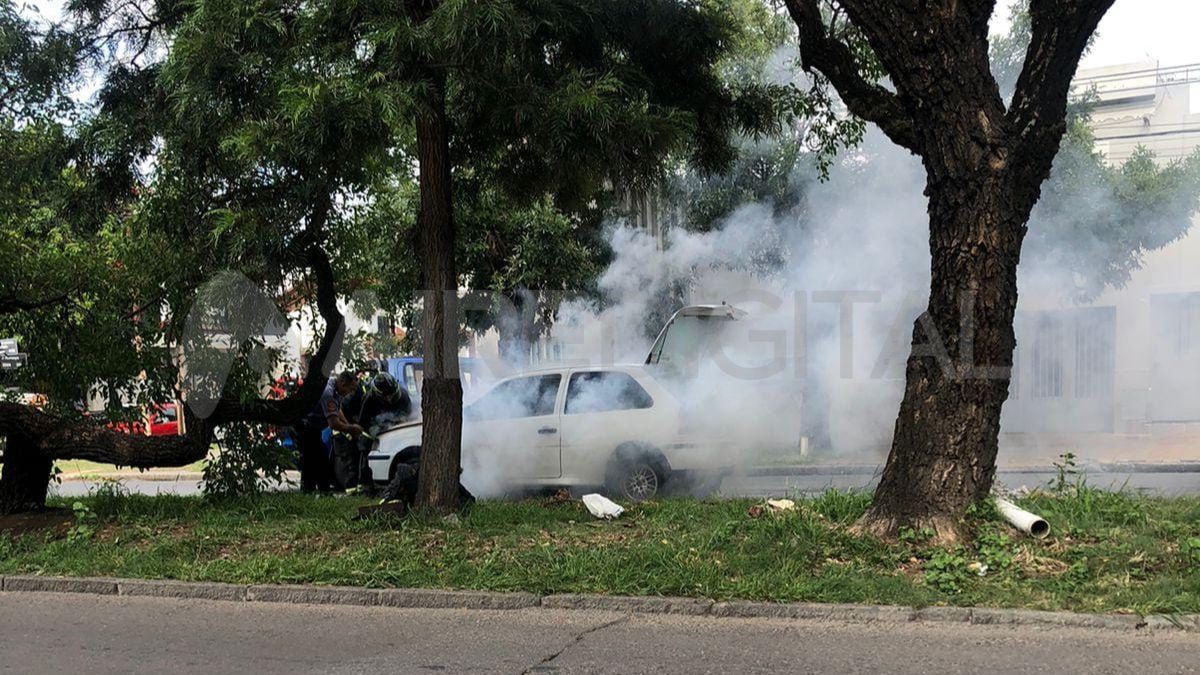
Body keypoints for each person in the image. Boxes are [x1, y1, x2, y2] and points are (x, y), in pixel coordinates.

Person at [341, 371, 413, 493]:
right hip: (375, 427)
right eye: (386, 396)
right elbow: (363, 422)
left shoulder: (403, 396)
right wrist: (376, 428)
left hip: (397, 427)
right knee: (365, 447)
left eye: (391, 395)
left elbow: (408, 414)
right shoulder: (369, 399)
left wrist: (398, 421)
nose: (390, 399)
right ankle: (364, 483)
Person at [297, 371, 362, 494]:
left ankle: (315, 490)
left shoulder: (337, 390)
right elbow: (334, 424)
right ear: (343, 383)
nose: (350, 393)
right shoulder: (328, 392)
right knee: (316, 458)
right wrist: (351, 429)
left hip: (314, 427)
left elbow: (337, 410)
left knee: (314, 457)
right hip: (305, 425)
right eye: (351, 389)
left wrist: (347, 424)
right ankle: (318, 490)